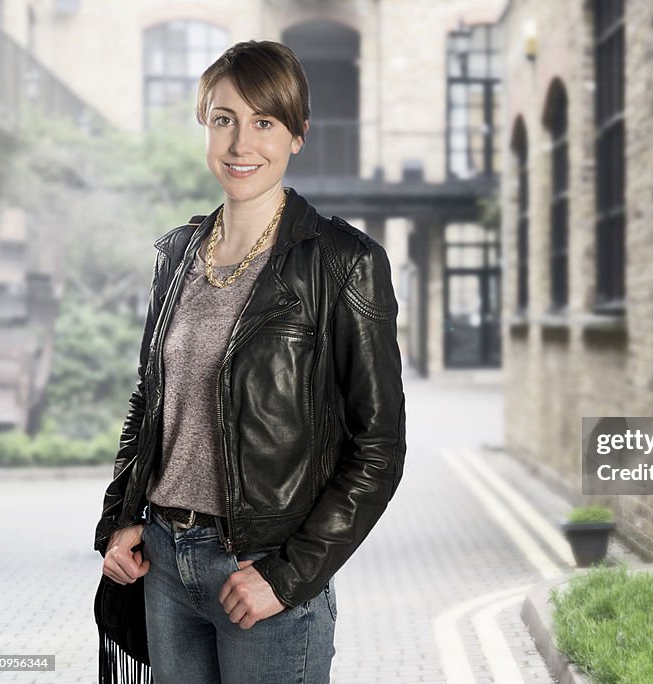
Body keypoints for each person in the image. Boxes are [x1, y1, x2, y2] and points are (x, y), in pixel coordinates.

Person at [94, 40, 406, 683]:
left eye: (264, 122)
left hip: (261, 574)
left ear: (297, 136)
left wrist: (287, 576)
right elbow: (148, 400)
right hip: (162, 566)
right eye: (224, 120)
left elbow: (378, 445)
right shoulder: (176, 254)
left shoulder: (343, 262)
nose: (242, 143)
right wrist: (121, 519)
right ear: (205, 127)